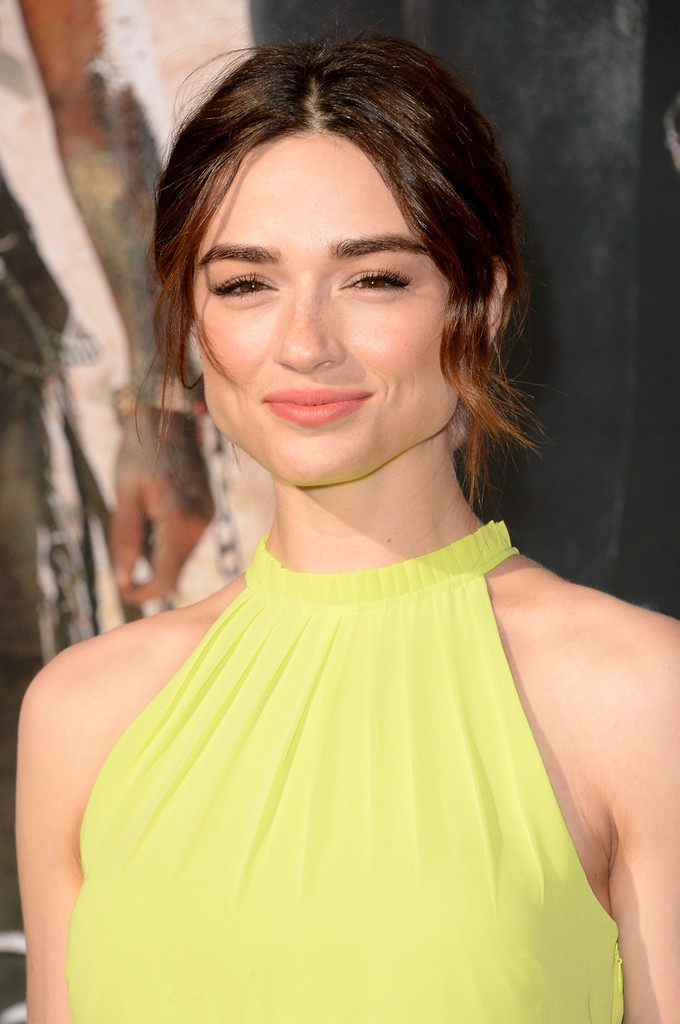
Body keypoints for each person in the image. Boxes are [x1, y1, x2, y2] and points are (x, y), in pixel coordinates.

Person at [16, 34, 680, 1024]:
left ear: (480, 304)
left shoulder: (636, 698)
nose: (304, 343)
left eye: (372, 278)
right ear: (193, 324)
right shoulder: (81, 714)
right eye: (245, 284)